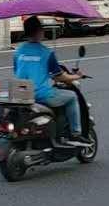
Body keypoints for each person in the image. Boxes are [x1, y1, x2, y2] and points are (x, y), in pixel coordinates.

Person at [13, 16, 88, 144]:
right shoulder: (46, 53)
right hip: (40, 94)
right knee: (72, 96)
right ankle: (75, 133)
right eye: (42, 29)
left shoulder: (18, 51)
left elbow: (17, 71)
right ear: (38, 31)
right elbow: (59, 76)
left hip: (20, 93)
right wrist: (77, 76)